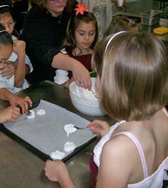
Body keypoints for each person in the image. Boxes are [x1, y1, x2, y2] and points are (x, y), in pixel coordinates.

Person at [44, 31, 168, 187]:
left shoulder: (116, 152)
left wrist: (62, 176)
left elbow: (126, 153)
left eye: (99, 75)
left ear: (112, 85)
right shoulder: (162, 113)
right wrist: (111, 133)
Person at [22, 0, 92, 89]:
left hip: (66, 78)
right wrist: (75, 65)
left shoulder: (72, 8)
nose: (61, 0)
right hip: (41, 84)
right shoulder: (34, 19)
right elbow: (46, 52)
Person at [0, 1, 33, 93]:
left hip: (24, 91)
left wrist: (17, 65)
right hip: (10, 95)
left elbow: (29, 67)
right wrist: (21, 55)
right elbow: (18, 83)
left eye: (10, 23)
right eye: (1, 26)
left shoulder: (13, 39)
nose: (7, 29)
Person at [54, 3, 98, 87]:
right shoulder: (64, 54)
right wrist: (71, 81)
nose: (87, 38)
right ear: (72, 32)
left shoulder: (97, 52)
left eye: (91, 33)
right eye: (81, 34)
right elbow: (59, 88)